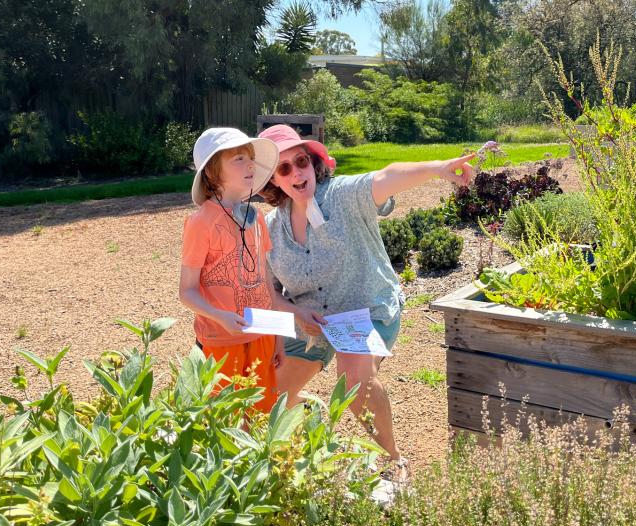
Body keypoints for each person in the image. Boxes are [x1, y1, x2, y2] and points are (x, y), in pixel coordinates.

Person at [258, 124, 476, 473]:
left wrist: (437, 167)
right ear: (273, 180)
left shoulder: (344, 195)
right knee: (269, 391)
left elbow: (388, 176)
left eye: (301, 161)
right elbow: (270, 295)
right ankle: (306, 419)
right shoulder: (270, 229)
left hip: (366, 309)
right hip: (311, 322)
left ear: (314, 163)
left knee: (354, 381)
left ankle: (393, 461)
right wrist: (295, 312)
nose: (297, 172)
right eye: (284, 168)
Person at [178, 127, 300, 412]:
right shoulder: (201, 222)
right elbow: (187, 291)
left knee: (261, 415)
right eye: (238, 159)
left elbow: (266, 281)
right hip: (221, 339)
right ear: (211, 172)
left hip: (262, 335)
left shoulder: (255, 216)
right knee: (227, 419)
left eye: (250, 158)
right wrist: (220, 317)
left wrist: (277, 338)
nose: (249, 165)